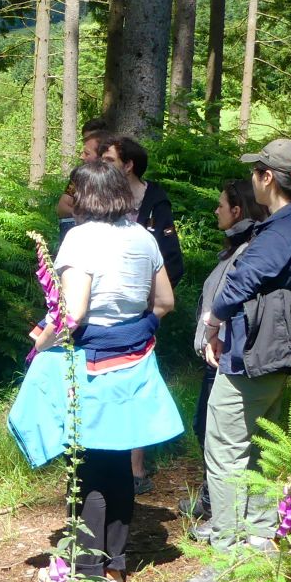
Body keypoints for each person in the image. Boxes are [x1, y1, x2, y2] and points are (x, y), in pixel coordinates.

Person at [30, 161, 180, 582]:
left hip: (91, 364)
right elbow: (165, 302)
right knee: (116, 460)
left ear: (85, 196)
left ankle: (83, 571)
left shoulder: (80, 238)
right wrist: (137, 330)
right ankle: (114, 565)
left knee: (88, 462)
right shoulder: (143, 237)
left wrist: (39, 345)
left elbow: (73, 314)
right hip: (134, 360)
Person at [188, 140, 291, 582]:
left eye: (255, 172)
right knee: (260, 442)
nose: (251, 180)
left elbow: (242, 281)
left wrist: (212, 321)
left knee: (224, 447)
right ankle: (263, 538)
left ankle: (227, 555)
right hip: (272, 353)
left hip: (255, 355)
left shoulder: (282, 232)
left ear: (268, 178)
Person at [100, 135, 184, 494]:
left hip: (145, 312)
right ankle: (103, 458)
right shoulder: (102, 199)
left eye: (109, 159)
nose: (103, 165)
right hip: (106, 310)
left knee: (136, 384)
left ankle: (136, 468)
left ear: (128, 164)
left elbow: (171, 259)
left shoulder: (155, 201)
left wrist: (153, 304)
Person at [184, 180, 267, 525]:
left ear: (237, 211)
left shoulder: (248, 250)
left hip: (228, 355)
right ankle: (219, 504)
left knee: (219, 435)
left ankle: (224, 514)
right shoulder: (236, 247)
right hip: (218, 353)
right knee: (206, 428)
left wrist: (214, 336)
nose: (216, 210)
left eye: (221, 205)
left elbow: (234, 300)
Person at [56, 117, 112, 235]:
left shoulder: (120, 178)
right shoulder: (79, 175)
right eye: (85, 140)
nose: (82, 156)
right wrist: (86, 218)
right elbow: (62, 207)